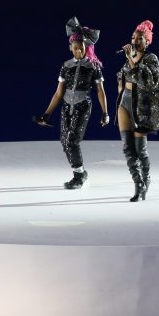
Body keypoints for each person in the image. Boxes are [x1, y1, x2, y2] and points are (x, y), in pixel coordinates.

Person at [35, 17, 109, 189]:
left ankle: (78, 176)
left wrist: (105, 113)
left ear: (86, 47)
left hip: (83, 106)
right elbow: (59, 92)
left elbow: (100, 91)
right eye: (75, 48)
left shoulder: (93, 67)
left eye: (81, 48)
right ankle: (81, 172)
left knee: (73, 140)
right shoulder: (66, 66)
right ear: (70, 48)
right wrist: (47, 114)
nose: (78, 51)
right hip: (67, 106)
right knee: (64, 141)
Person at [117, 19, 159, 202]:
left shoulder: (151, 59)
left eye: (139, 38)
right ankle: (138, 184)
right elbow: (123, 77)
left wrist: (131, 58)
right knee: (127, 147)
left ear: (147, 41)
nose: (135, 41)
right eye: (133, 38)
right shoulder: (129, 59)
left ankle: (146, 180)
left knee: (140, 149)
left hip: (142, 108)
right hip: (124, 102)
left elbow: (149, 81)